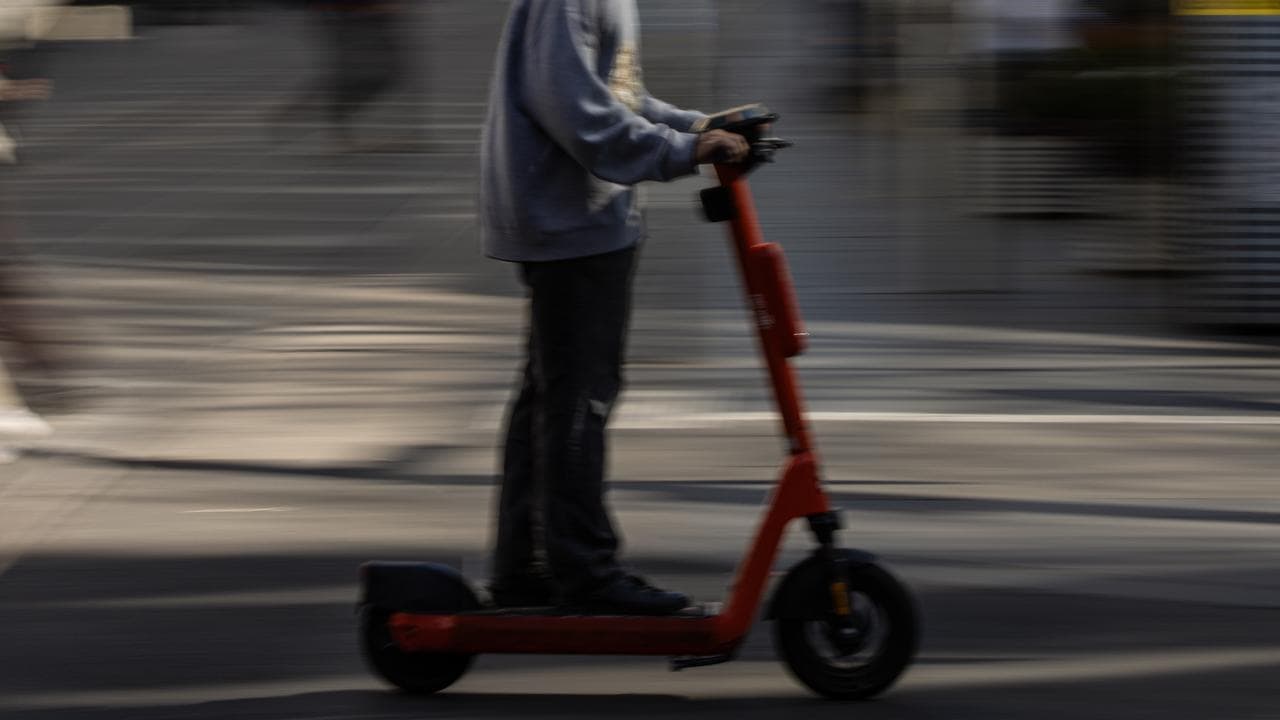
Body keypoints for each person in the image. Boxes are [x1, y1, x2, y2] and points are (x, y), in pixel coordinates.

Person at [478, 0, 749, 615]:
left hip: (577, 217)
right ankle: (585, 571)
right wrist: (683, 151)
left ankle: (525, 565)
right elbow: (577, 112)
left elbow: (620, 97)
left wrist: (698, 127)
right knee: (579, 400)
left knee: (551, 397)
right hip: (570, 221)